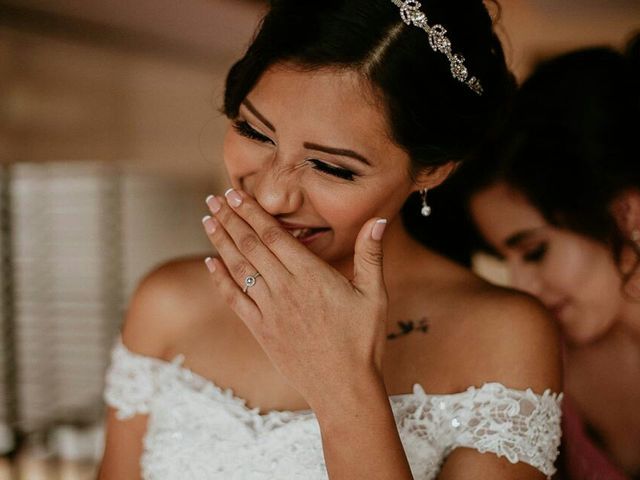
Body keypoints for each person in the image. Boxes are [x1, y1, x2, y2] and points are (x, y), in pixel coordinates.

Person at [97, 1, 563, 479]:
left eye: (331, 167)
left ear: (432, 169)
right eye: (254, 131)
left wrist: (342, 388)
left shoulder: (501, 336)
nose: (273, 196)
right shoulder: (169, 303)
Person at [465, 36, 640, 479]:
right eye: (504, 258)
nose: (522, 285)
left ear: (626, 211)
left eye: (535, 251)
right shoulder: (543, 361)